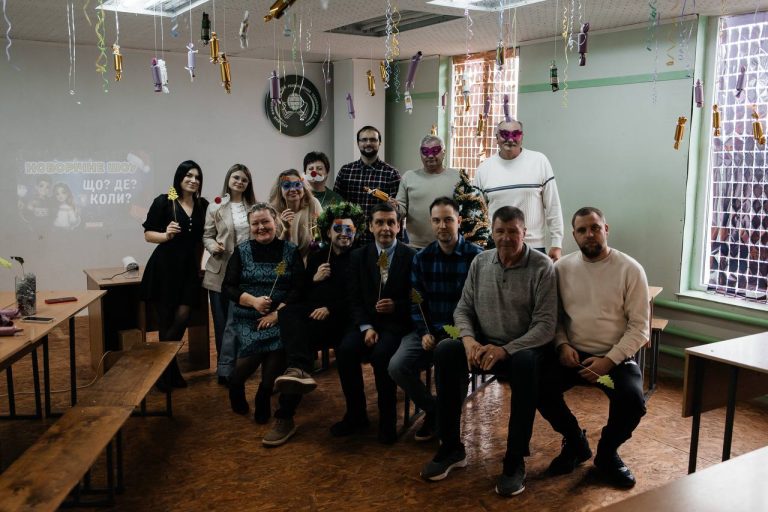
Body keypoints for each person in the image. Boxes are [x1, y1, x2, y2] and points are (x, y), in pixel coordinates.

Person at [420, 206, 557, 499]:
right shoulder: (481, 262)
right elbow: (463, 309)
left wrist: (506, 350)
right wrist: (469, 341)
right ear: (492, 232)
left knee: (526, 364)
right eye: (500, 231)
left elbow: (545, 326)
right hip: (483, 345)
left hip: (521, 349)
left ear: (524, 233)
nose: (506, 238)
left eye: (513, 231)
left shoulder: (542, 267)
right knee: (446, 350)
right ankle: (451, 448)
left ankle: (514, 460)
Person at [537, 206, 649, 488]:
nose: (589, 234)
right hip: (572, 356)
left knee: (633, 401)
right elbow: (555, 317)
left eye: (595, 228)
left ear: (606, 229)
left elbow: (640, 328)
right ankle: (576, 442)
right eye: (582, 230)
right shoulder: (561, 268)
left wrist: (608, 361)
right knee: (538, 386)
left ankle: (607, 453)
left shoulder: (630, 269)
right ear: (574, 235)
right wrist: (562, 345)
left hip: (614, 359)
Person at [388, 197, 482, 441]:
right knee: (397, 366)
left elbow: (480, 306)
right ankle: (435, 410)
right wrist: (424, 332)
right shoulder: (422, 258)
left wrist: (465, 335)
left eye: (448, 220)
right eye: (437, 220)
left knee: (450, 361)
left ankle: (447, 424)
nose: (442, 226)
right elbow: (415, 302)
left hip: (460, 333)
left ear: (459, 221)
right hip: (430, 328)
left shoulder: (477, 257)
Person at [331, 202, 416, 444]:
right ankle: (356, 414)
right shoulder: (358, 256)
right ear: (370, 226)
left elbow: (417, 298)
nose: (385, 228)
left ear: (399, 227)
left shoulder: (411, 257)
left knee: (381, 356)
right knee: (345, 350)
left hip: (395, 325)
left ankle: (387, 420)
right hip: (366, 322)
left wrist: (396, 305)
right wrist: (366, 327)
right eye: (379, 222)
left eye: (391, 222)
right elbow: (353, 297)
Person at [222, 203, 305, 447]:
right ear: (250, 226)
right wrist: (253, 301)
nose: (261, 227)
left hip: (280, 314)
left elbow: (299, 287)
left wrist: (278, 313)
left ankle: (264, 392)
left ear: (275, 222)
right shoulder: (242, 251)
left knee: (277, 349)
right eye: (255, 223)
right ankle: (236, 384)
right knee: (252, 357)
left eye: (265, 222)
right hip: (249, 314)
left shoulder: (290, 250)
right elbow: (228, 287)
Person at [274, 202, 365, 395]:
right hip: (315, 315)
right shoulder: (317, 256)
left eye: (349, 229)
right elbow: (302, 291)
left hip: (344, 320)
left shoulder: (360, 257)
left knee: (303, 339)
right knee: (287, 313)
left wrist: (330, 308)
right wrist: (314, 279)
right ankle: (298, 371)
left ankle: (300, 369)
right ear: (328, 233)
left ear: (355, 232)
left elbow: (360, 298)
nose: (344, 233)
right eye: (338, 228)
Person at [140, 160, 209, 391]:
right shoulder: (165, 200)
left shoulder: (202, 205)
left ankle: (160, 368)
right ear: (179, 178)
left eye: (197, 177)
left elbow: (205, 237)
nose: (193, 180)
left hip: (189, 271)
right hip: (164, 269)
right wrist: (165, 235)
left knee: (182, 318)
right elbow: (148, 234)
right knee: (166, 321)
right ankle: (169, 374)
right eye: (188, 175)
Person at [474, 119, 564, 261]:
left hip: (534, 247)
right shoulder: (483, 169)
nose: (510, 139)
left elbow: (553, 205)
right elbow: (477, 214)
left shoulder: (539, 161)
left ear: (522, 137)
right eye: (505, 134)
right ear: (497, 137)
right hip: (497, 247)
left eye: (515, 134)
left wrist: (557, 243)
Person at [202, 164, 256, 383]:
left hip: (244, 273)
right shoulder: (215, 206)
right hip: (219, 270)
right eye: (236, 178)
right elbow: (207, 235)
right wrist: (212, 246)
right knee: (222, 323)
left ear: (248, 184)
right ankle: (224, 367)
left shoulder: (253, 207)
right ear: (228, 179)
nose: (239, 182)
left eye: (244, 179)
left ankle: (233, 368)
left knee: (237, 322)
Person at [334, 126, 401, 245]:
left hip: (379, 240)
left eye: (373, 140)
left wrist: (395, 206)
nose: (368, 143)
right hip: (350, 239)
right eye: (364, 140)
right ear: (358, 143)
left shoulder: (391, 174)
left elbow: (397, 213)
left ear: (380, 143)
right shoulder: (346, 171)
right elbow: (336, 206)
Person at [395, 136, 461, 249]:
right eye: (425, 151)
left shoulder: (457, 177)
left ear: (444, 152)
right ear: (420, 154)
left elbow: (466, 209)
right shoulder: (409, 177)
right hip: (416, 246)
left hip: (449, 246)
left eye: (435, 150)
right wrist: (394, 207)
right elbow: (401, 209)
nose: (430, 156)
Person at [269, 169, 322, 259]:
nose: (293, 189)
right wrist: (286, 230)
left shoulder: (313, 203)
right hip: (282, 261)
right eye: (287, 185)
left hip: (309, 259)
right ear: (280, 190)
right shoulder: (272, 212)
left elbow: (320, 236)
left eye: (297, 184)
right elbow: (274, 250)